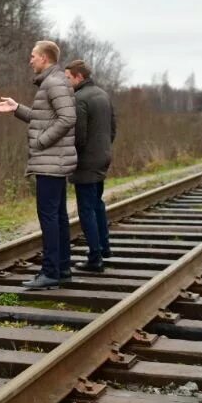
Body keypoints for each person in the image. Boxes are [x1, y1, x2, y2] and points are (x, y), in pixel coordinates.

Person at [0, 40, 77, 288]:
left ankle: (51, 271)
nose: (30, 60)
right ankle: (62, 269)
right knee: (58, 216)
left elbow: (68, 118)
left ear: (44, 58)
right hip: (53, 161)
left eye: (33, 56)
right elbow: (43, 118)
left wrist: (41, 142)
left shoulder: (53, 83)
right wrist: (17, 108)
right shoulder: (53, 83)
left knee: (49, 216)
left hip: (51, 161)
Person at [65, 59, 116, 273]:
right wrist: (103, 149)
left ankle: (95, 258)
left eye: (68, 78)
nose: (67, 82)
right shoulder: (103, 95)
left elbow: (79, 137)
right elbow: (113, 128)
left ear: (79, 77)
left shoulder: (79, 99)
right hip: (102, 157)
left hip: (86, 162)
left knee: (86, 210)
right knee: (97, 204)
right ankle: (104, 247)